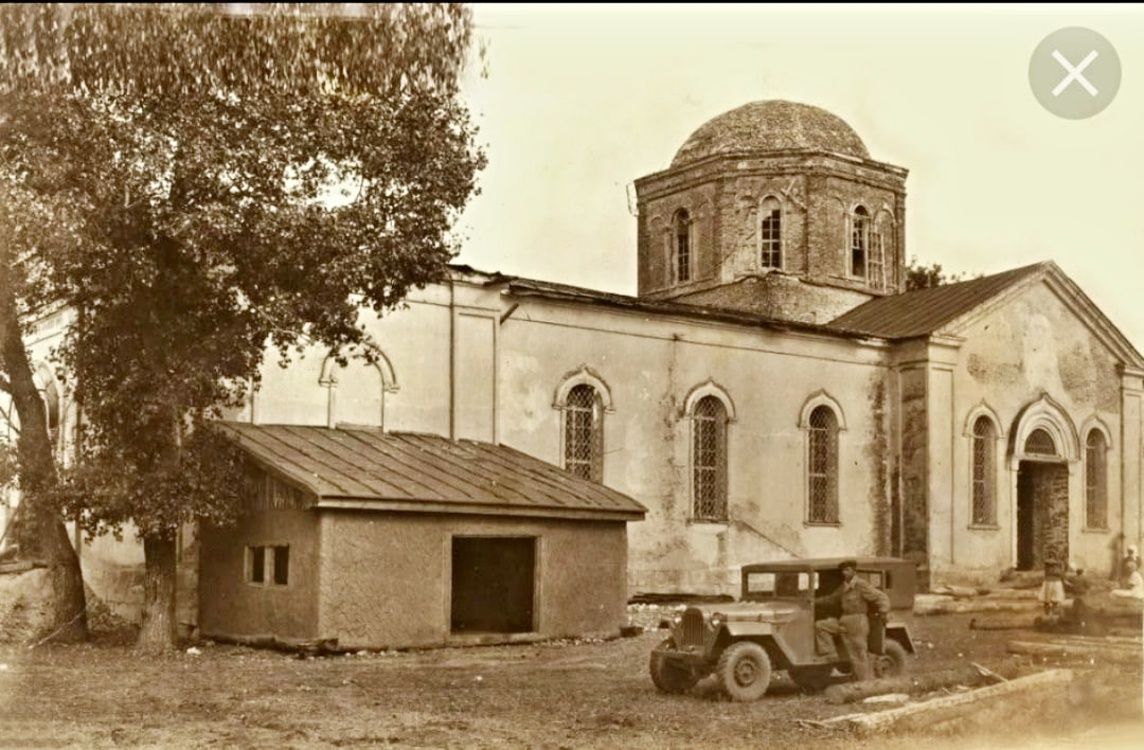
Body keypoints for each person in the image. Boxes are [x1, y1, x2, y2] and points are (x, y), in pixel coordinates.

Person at [814, 560, 891, 681]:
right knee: (820, 625)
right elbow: (831, 599)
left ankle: (863, 683)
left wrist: (883, 612)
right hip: (844, 620)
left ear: (854, 571)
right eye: (843, 571)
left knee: (858, 654)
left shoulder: (861, 585)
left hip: (857, 621)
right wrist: (813, 601)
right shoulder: (844, 586)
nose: (844, 573)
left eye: (847, 570)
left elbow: (881, 597)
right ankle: (831, 655)